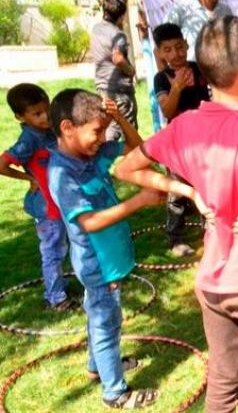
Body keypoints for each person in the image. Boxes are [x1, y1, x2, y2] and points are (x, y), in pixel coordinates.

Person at [115, 16, 238, 413]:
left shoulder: (185, 125)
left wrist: (187, 190)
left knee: (224, 384)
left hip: (214, 281)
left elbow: (125, 168)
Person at [47, 89, 160, 409]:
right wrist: (139, 201)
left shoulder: (91, 154)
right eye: (97, 131)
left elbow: (138, 148)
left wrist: (120, 119)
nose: (101, 139)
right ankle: (115, 393)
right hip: (97, 263)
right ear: (68, 127)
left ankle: (98, 366)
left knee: (100, 315)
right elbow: (90, 222)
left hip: (109, 257)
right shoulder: (62, 173)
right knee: (106, 322)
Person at [0, 84, 73, 311]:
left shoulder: (50, 130)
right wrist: (29, 178)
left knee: (66, 244)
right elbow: (2, 164)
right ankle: (55, 298)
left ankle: (59, 284)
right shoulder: (29, 140)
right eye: (37, 114)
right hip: (47, 207)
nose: (45, 116)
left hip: (63, 200)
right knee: (53, 250)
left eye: (46, 109)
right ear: (20, 117)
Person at [152, 22, 211, 257]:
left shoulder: (200, 69)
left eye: (179, 47)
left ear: (186, 45)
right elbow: (167, 110)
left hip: (204, 142)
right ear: (160, 53)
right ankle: (175, 238)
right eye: (167, 50)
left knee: (206, 187)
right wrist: (176, 87)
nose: (175, 54)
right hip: (178, 144)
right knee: (177, 192)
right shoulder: (161, 78)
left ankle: (210, 232)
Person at [89, 0, 136, 141]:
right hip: (120, 90)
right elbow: (118, 58)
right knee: (128, 131)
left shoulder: (96, 29)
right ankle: (134, 155)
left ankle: (104, 154)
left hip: (103, 87)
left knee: (110, 126)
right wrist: (131, 71)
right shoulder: (118, 35)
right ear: (121, 16)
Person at [164, 0, 233, 62]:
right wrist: (165, 72)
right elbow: (160, 47)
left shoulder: (226, 11)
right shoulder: (181, 9)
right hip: (190, 69)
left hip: (219, 69)